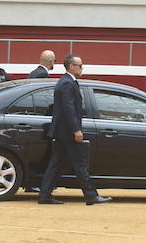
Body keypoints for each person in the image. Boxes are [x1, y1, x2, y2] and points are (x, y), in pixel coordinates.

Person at [38, 54, 111, 205]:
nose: (81, 68)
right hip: (68, 132)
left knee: (57, 164)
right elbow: (68, 108)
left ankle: (45, 195)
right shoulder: (67, 83)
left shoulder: (66, 82)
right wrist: (76, 130)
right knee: (79, 163)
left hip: (62, 132)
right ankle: (91, 196)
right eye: (80, 65)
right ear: (71, 66)